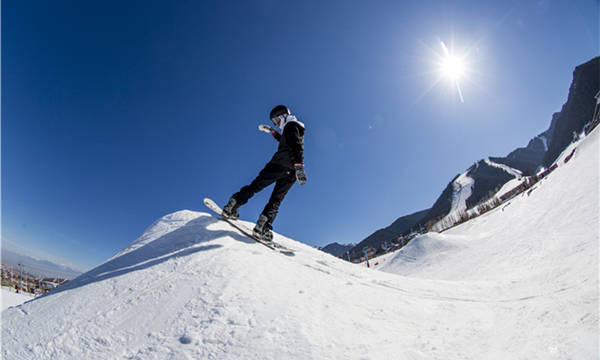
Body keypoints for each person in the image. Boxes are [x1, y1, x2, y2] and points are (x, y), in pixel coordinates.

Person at [222, 105, 306, 241]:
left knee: (256, 186)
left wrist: (300, 167)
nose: (277, 124)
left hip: (279, 164)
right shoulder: (292, 127)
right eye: (274, 122)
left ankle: (233, 204)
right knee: (276, 200)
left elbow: (296, 145)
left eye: (277, 121)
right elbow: (286, 141)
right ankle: (263, 226)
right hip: (291, 171)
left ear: (283, 116)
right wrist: (272, 132)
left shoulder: (291, 126)